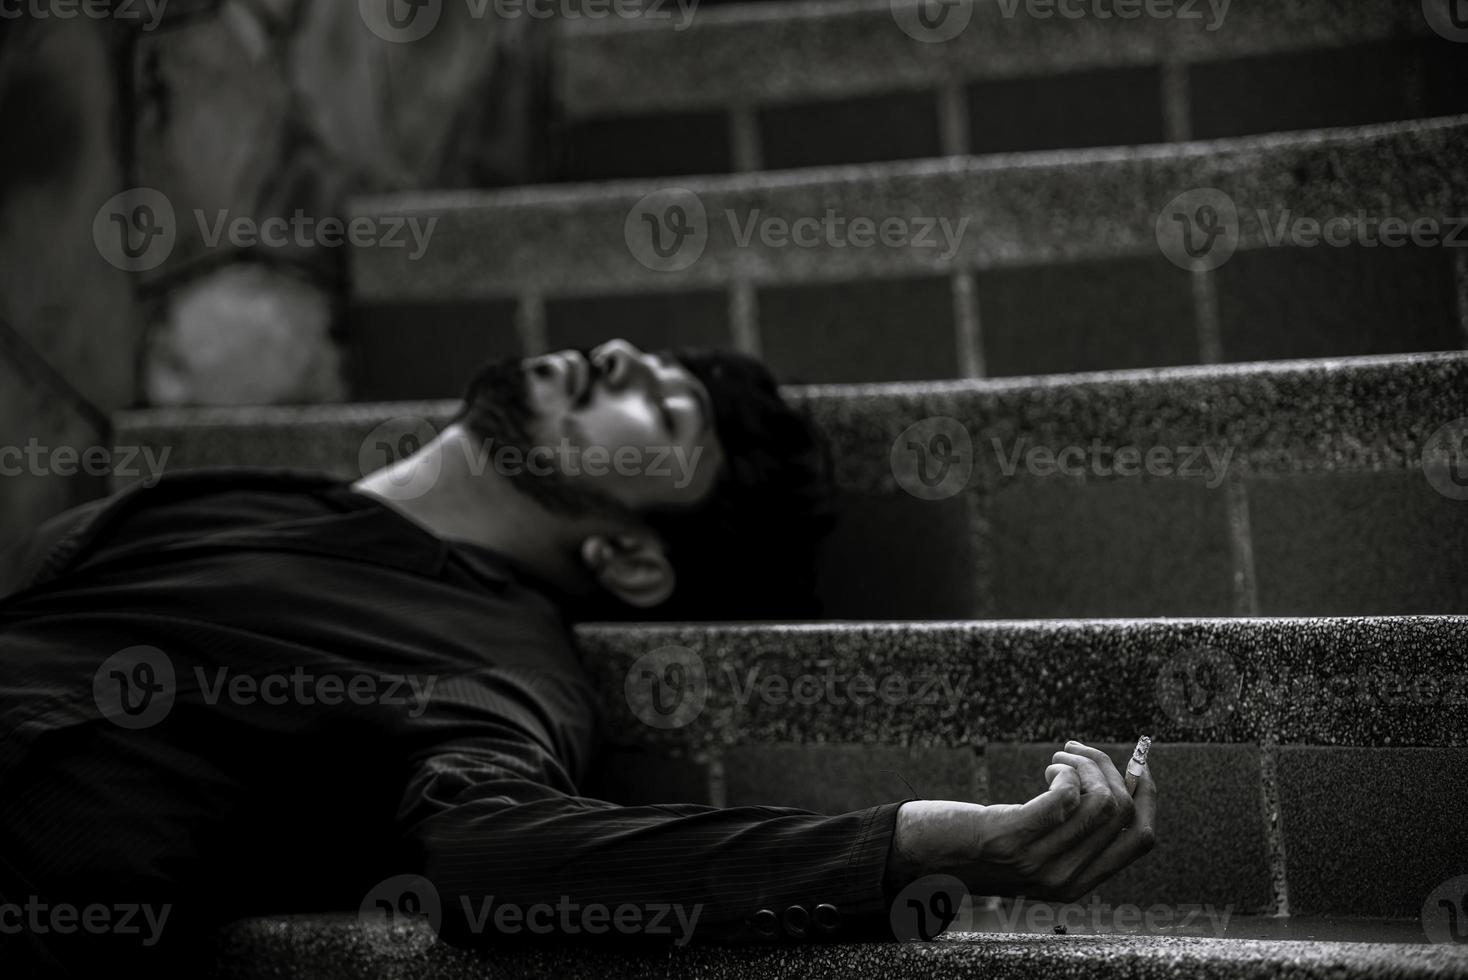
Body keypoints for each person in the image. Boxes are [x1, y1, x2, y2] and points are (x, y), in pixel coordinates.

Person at [0, 339, 1156, 975]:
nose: (619, 355)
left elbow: (503, 852)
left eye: (667, 411)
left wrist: (916, 843)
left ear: (631, 561)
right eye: (648, 359)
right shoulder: (214, 500)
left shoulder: (498, 652)